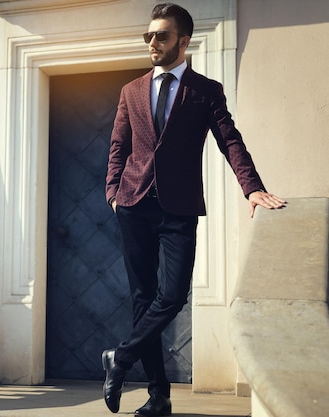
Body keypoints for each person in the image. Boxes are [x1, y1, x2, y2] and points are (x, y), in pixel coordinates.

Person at [102, 3, 286, 416]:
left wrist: (252, 188)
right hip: (132, 204)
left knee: (171, 297)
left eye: (161, 35)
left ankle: (121, 357)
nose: (153, 42)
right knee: (141, 298)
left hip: (178, 208)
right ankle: (158, 395)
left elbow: (230, 140)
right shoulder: (131, 90)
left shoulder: (205, 91)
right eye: (148, 35)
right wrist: (112, 191)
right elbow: (119, 145)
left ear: (183, 41)